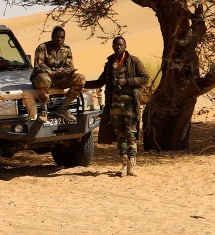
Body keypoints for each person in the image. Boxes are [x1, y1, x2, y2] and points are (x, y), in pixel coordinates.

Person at [85, 36, 149, 177]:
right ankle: (124, 163)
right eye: (116, 45)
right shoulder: (109, 64)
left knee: (131, 134)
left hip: (130, 105)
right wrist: (82, 84)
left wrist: (127, 81)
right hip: (114, 107)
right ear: (113, 47)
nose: (118, 47)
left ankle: (132, 165)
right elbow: (99, 82)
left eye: (121, 45)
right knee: (120, 135)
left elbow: (145, 78)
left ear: (125, 46)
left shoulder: (134, 61)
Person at [30, 27, 86, 123]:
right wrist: (56, 72)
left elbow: (69, 67)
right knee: (44, 78)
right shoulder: (43, 48)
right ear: (52, 37)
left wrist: (65, 73)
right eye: (57, 37)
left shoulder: (67, 49)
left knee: (80, 78)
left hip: (60, 80)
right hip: (42, 80)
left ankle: (63, 108)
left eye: (62, 37)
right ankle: (43, 110)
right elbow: (40, 66)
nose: (59, 39)